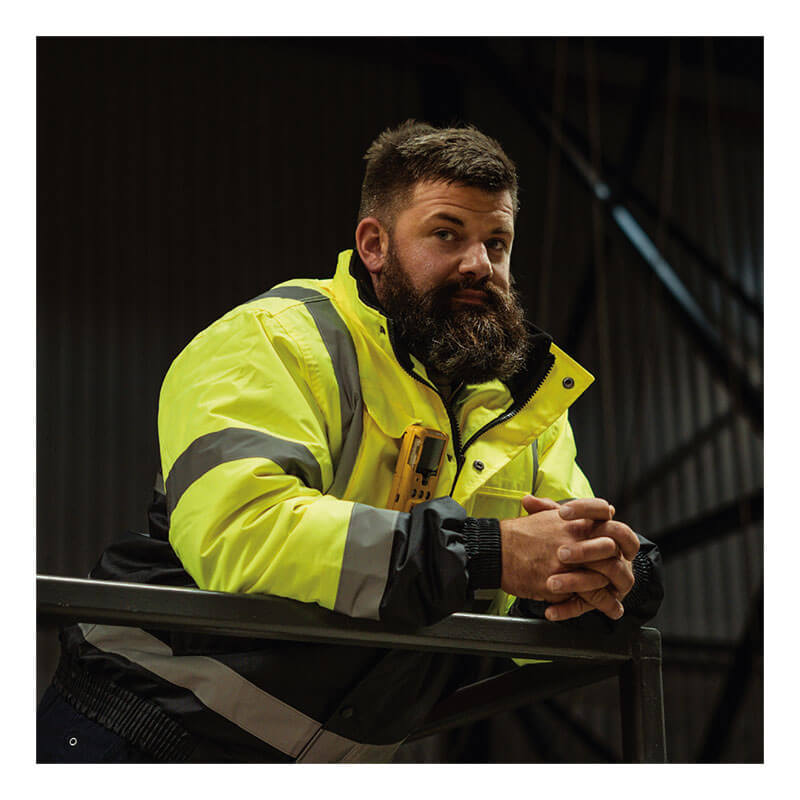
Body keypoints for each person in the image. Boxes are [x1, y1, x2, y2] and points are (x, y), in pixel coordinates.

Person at [37, 120, 663, 763]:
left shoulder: (520, 406)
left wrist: (619, 578)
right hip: (138, 733)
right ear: (374, 245)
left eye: (496, 243)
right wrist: (485, 554)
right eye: (447, 234)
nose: (479, 264)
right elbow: (241, 532)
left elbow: (542, 584)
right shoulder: (277, 339)